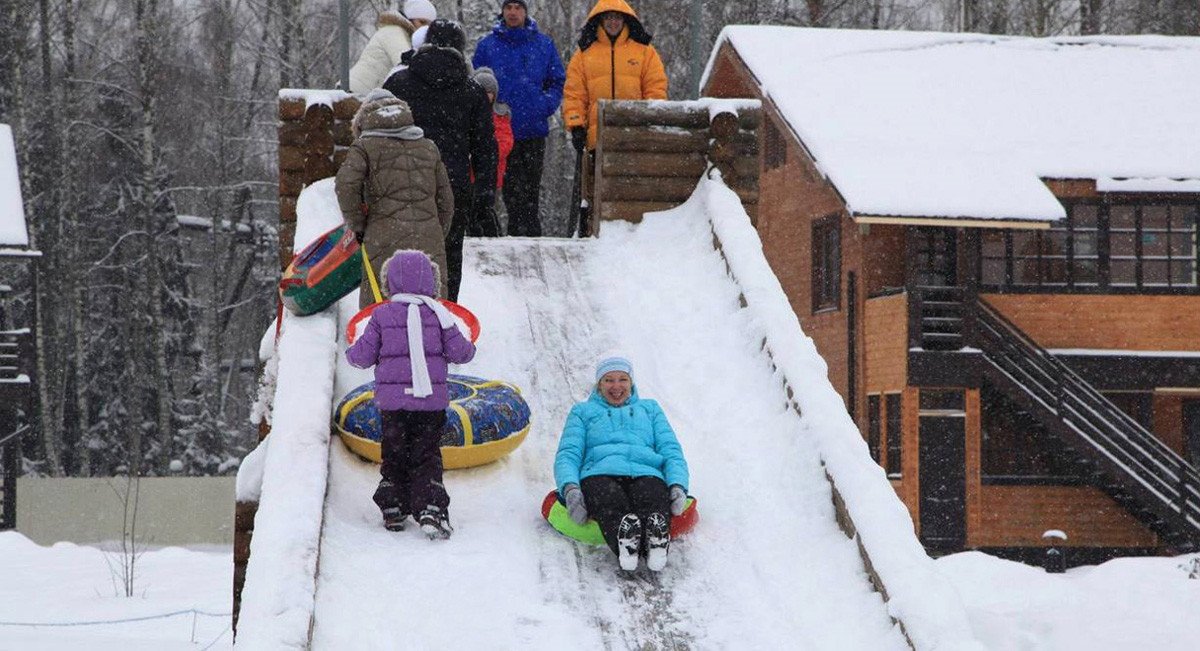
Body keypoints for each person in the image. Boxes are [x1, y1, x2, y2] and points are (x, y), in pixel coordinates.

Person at [345, 249, 477, 539]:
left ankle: (393, 504)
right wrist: (469, 348)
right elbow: (461, 352)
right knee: (426, 454)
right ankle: (430, 506)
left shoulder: (381, 315)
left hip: (393, 404)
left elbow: (362, 356)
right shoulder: (440, 314)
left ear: (388, 283)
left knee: (394, 452)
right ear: (432, 281)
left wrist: (350, 353)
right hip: (430, 403)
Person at [384, 19, 499, 301]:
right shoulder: (472, 92)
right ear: (461, 50)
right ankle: (443, 316)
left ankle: (400, 317)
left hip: (404, 183)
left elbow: (375, 135)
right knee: (448, 254)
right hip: (452, 185)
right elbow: (486, 148)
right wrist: (482, 196)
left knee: (402, 252)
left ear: (425, 44)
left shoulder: (398, 84)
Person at [553, 356, 690, 572]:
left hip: (646, 471)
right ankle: (626, 542)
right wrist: (570, 488)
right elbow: (569, 453)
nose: (616, 386)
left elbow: (670, 449)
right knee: (609, 500)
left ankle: (655, 542)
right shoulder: (582, 412)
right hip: (599, 473)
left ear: (631, 383)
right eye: (608, 380)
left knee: (653, 495)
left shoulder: (650, 409)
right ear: (599, 384)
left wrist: (677, 485)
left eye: (622, 380)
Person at [335, 89, 454, 306]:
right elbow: (446, 201)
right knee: (431, 306)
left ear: (364, 119)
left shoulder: (364, 147)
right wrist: (436, 229)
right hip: (428, 236)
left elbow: (345, 185)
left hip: (383, 237)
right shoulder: (428, 146)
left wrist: (359, 226)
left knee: (380, 307)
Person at [562, 0, 667, 232]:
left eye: (617, 17)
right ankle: (595, 230)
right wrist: (576, 124)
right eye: (608, 17)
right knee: (597, 188)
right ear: (600, 20)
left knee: (632, 188)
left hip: (634, 136)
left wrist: (651, 120)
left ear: (625, 20)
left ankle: (633, 230)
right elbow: (574, 93)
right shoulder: (584, 54)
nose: (612, 22)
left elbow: (656, 89)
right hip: (596, 137)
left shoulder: (644, 52)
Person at [472, 0, 566, 237]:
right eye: (508, 7)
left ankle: (531, 237)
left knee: (531, 189)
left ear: (525, 11)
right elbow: (475, 83)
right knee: (505, 189)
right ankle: (504, 237)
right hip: (499, 132)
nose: (513, 12)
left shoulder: (543, 45)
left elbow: (557, 80)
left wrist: (543, 105)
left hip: (533, 129)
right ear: (502, 11)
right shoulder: (488, 46)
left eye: (517, 7)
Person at [348, 1, 438, 94]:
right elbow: (405, 63)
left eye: (429, 25)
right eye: (422, 22)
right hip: (355, 91)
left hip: (363, 92)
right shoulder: (394, 32)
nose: (425, 28)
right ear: (410, 19)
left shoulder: (405, 36)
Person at [469, 66, 513, 237]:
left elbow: (505, 141)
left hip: (491, 172)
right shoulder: (469, 113)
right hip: (472, 171)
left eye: (490, 91)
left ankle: (489, 233)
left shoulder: (500, 115)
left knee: (486, 206)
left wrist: (488, 152)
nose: (487, 95)